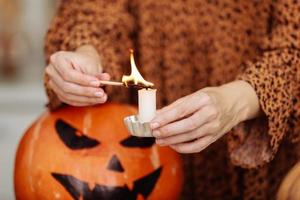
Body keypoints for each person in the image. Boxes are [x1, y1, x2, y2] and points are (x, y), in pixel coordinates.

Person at [44, 0, 300, 199]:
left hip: (273, 178)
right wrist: (86, 54)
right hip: (145, 160)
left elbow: (294, 44)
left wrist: (237, 100)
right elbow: (93, 12)